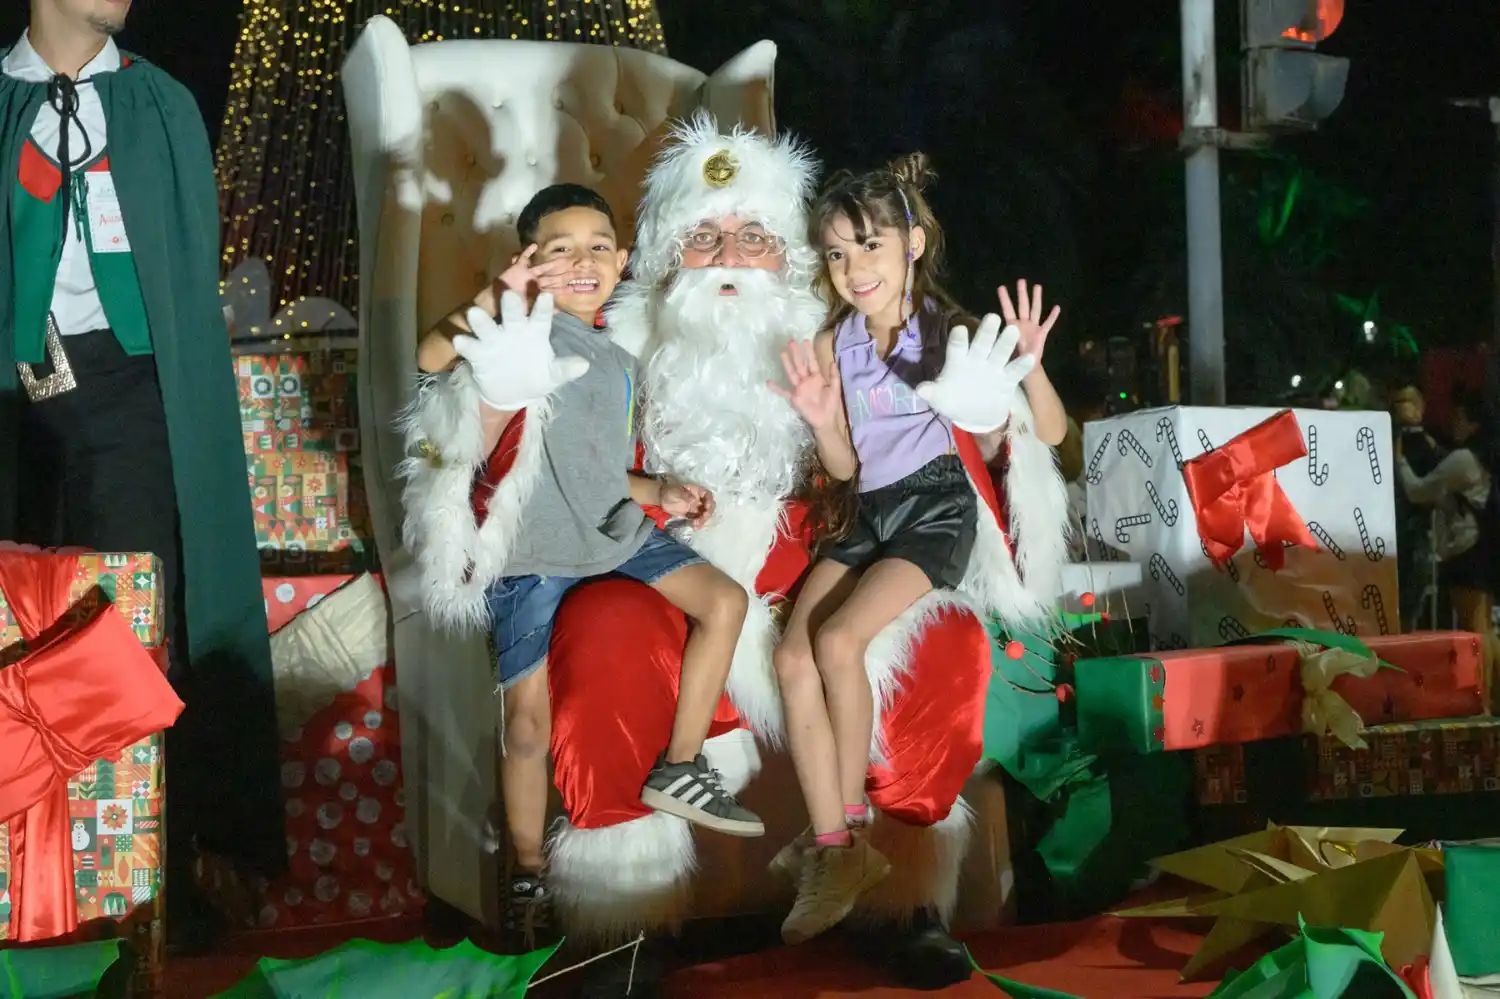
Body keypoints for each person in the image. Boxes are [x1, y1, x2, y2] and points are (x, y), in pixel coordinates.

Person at [539, 114, 1063, 996]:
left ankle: (901, 901)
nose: (732, 254)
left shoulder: (847, 339)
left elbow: (959, 441)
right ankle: (621, 921)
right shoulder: (621, 348)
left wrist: (1008, 395)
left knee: (941, 646)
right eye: (705, 236)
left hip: (821, 547)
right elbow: (551, 455)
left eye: (754, 235)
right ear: (668, 255)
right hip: (666, 570)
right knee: (601, 630)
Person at [405, 182, 764, 949]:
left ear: (623, 259)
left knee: (725, 601)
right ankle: (530, 869)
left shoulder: (615, 354)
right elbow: (430, 355)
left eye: (599, 245)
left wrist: (658, 488)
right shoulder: (517, 332)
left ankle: (680, 760)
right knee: (528, 726)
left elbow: (594, 472)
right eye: (560, 248)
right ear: (529, 260)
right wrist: (492, 300)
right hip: (531, 557)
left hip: (613, 532)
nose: (584, 260)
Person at [0, 0, 281, 951]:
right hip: (17, 393)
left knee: (128, 618)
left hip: (132, 389)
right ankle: (40, 864)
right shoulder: (0, 105)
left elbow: (182, 267)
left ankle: (149, 870)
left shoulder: (157, 102)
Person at [764, 157, 1065, 943]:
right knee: (793, 658)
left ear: (914, 242)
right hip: (869, 509)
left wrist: (1028, 372)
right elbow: (845, 467)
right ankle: (834, 844)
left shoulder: (951, 334)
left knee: (837, 639)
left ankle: (848, 826)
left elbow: (1053, 433)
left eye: (868, 246)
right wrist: (824, 417)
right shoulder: (839, 343)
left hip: (936, 510)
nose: (853, 268)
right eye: (835, 254)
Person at [1395, 391, 1499, 705]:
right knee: (1486, 628)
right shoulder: (1485, 456)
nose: (1452, 424)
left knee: (1474, 629)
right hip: (1485, 546)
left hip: (1465, 549)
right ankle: (1493, 701)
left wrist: (1399, 458)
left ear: (1472, 422)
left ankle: (1480, 703)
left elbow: (1417, 491)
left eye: (1458, 418)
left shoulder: (1465, 458)